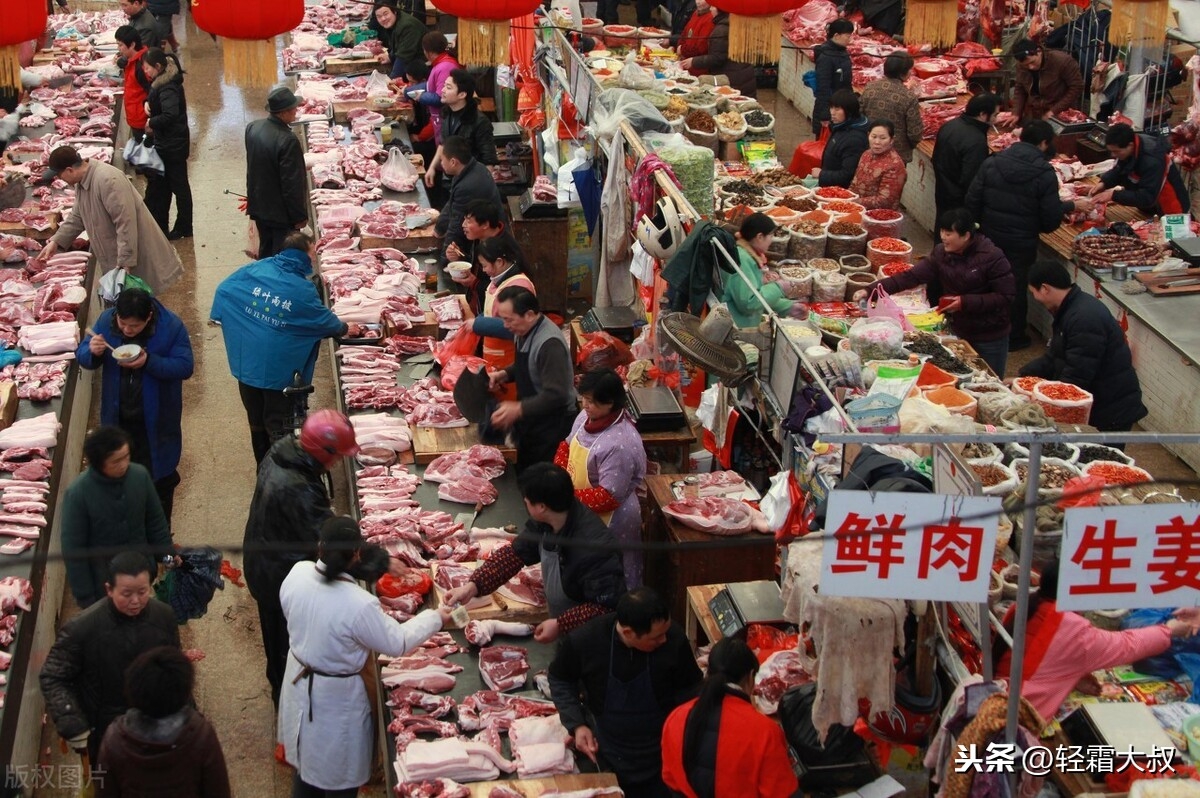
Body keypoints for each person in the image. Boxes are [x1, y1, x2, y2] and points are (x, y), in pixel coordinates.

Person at [280, 517, 451, 798]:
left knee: (306, 763)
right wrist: (436, 618)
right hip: (336, 697)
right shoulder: (358, 604)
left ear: (320, 547)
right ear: (356, 555)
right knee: (339, 776)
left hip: (299, 678)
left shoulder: (298, 574)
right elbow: (397, 642)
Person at [243, 410, 359, 707]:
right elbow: (332, 544)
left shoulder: (282, 452)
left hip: (264, 558)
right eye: (338, 455)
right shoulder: (298, 487)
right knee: (285, 647)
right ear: (323, 451)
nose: (338, 462)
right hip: (276, 577)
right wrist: (379, 564)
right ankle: (286, 707)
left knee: (277, 639)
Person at [994, 560, 1200, 720]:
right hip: (1018, 717)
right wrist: (1169, 630)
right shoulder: (1073, 631)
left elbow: (1040, 659)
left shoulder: (1026, 605)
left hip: (1001, 696)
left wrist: (1072, 674)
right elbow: (1129, 645)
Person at [443, 463, 626, 643]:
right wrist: (473, 586)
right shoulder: (549, 519)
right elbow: (516, 553)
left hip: (593, 641)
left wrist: (561, 624)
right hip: (565, 633)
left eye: (527, 500)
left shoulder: (595, 549)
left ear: (541, 507)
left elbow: (605, 608)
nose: (524, 503)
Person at [549, 587, 703, 797]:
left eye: (665, 632)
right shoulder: (586, 640)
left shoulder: (673, 640)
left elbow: (691, 691)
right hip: (609, 755)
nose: (664, 640)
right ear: (629, 633)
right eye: (656, 637)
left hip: (663, 756)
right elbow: (560, 678)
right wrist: (577, 724)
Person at [210, 232, 348, 465]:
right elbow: (325, 322)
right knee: (278, 425)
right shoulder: (301, 289)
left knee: (255, 421)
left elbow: (224, 290)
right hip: (279, 375)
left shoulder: (255, 270)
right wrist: (344, 328)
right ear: (304, 254)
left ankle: (262, 470)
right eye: (313, 252)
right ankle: (279, 473)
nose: (314, 258)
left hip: (247, 368)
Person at [41, 552, 181, 766]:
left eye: (142, 592)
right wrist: (70, 719)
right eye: (126, 594)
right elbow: (53, 675)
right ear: (109, 589)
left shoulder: (164, 617)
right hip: (104, 734)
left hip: (154, 726)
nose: (135, 601)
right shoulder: (82, 628)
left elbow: (174, 671)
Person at [965, 121, 1091, 351]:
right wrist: (1069, 206)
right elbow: (1050, 220)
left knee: (986, 279)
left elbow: (972, 199)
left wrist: (978, 229)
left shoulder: (993, 161)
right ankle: (1013, 337)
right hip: (1020, 243)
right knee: (1014, 287)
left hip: (989, 235)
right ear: (1043, 143)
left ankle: (980, 329)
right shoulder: (1044, 174)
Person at [77, 289, 193, 523]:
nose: (127, 330)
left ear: (148, 317)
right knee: (119, 481)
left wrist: (149, 361)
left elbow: (184, 366)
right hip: (118, 419)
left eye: (134, 326)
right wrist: (93, 351)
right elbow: (83, 354)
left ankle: (160, 541)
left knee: (159, 481)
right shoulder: (106, 321)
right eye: (123, 324)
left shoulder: (171, 326)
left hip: (157, 422)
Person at [855, 209, 1014, 376]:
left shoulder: (992, 257)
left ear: (966, 235)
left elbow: (1006, 296)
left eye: (949, 233)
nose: (943, 237)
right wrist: (870, 289)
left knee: (990, 379)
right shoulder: (941, 253)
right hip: (959, 328)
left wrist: (964, 302)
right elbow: (911, 277)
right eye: (942, 231)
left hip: (990, 334)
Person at [660, 637, 799, 798]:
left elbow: (670, 779)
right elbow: (782, 793)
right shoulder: (765, 732)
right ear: (750, 676)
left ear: (708, 671)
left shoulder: (676, 718)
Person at [1020, 260, 1148, 433]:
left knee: (1103, 452)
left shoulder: (1083, 318)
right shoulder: (1069, 309)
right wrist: (1024, 377)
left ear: (1045, 288)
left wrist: (1046, 399)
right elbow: (1055, 356)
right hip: (1102, 401)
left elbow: (1077, 374)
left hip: (1111, 408)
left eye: (1033, 292)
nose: (1034, 297)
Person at [37, 146, 183, 293]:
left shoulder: (108, 179)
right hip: (115, 257)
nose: (59, 179)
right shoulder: (81, 183)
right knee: (129, 307)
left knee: (140, 306)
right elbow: (78, 215)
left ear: (70, 170)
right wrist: (57, 241)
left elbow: (125, 223)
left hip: (135, 257)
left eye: (59, 175)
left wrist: (126, 262)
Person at [61, 426, 175, 609]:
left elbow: (155, 521)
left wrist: (167, 553)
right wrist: (85, 596)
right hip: (104, 585)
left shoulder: (140, 476)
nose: (123, 465)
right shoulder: (78, 494)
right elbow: (74, 549)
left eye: (126, 457)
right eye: (116, 461)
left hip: (142, 572)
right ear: (99, 463)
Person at [554, 370, 648, 588]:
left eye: (592, 402)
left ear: (611, 403)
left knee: (612, 578)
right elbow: (566, 446)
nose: (586, 405)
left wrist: (565, 499)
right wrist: (558, 480)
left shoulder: (619, 444)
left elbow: (608, 497)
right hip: (580, 508)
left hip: (613, 518)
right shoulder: (586, 416)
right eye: (585, 399)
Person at [97, 647, 231, 798]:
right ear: (184, 690)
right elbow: (218, 790)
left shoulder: (114, 740)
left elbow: (104, 791)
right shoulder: (200, 735)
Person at [487, 287, 578, 471]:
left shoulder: (550, 344)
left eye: (508, 319)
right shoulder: (524, 331)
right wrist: (503, 374)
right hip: (534, 419)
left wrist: (518, 408)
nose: (505, 325)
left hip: (553, 426)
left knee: (540, 480)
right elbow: (528, 363)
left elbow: (556, 394)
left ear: (529, 314)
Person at [462, 235, 534, 402]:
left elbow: (514, 327)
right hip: (495, 358)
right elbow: (491, 313)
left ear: (500, 262)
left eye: (485, 266)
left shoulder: (519, 286)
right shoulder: (498, 281)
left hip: (510, 361)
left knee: (508, 405)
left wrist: (478, 324)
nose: (484, 270)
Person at [244, 86, 307, 260]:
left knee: (266, 251)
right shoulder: (287, 140)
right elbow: (291, 184)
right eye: (293, 108)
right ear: (283, 112)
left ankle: (264, 282)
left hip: (259, 206)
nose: (296, 110)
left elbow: (253, 167)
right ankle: (278, 286)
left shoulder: (252, 128)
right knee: (283, 257)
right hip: (281, 214)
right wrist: (299, 216)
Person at [142, 47, 192, 240]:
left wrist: (151, 122)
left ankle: (184, 227)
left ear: (158, 66)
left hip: (172, 146)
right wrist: (148, 103)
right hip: (170, 143)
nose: (145, 72)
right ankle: (171, 226)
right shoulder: (163, 81)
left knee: (179, 187)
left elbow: (170, 114)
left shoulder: (167, 86)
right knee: (169, 187)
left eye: (147, 68)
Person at [1090, 122, 1190, 215]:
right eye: (1111, 151)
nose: (1113, 155)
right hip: (1149, 208)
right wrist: (1104, 183)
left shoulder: (1152, 159)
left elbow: (1147, 197)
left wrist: (1113, 195)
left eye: (1116, 151)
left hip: (1170, 209)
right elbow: (1120, 169)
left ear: (1130, 145)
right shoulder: (1130, 146)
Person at [435, 135, 503, 271]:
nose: (441, 164)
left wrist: (443, 265)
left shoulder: (468, 185)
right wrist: (439, 227)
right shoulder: (472, 168)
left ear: (453, 162)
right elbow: (452, 204)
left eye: (442, 160)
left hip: (491, 242)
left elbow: (456, 225)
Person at [932, 93, 999, 226]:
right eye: (995, 115)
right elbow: (972, 179)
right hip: (959, 202)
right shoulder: (976, 141)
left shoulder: (949, 126)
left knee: (943, 235)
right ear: (983, 114)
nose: (996, 119)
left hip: (943, 193)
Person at [723, 212, 799, 328]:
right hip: (737, 328)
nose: (772, 240)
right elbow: (749, 303)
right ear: (760, 237)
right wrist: (778, 287)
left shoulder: (746, 255)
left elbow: (756, 297)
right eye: (771, 235)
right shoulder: (742, 260)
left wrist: (788, 307)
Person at [425, 69, 497, 188]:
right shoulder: (448, 112)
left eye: (448, 87)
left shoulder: (480, 122)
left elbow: (489, 161)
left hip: (470, 184)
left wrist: (476, 188)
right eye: (444, 86)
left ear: (462, 95)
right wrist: (432, 167)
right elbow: (443, 145)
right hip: (449, 180)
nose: (442, 90)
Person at [998, 40, 1084, 125]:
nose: (1030, 67)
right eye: (1026, 65)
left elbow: (1077, 87)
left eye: (1032, 62)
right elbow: (1020, 88)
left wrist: (1054, 110)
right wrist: (1016, 112)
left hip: (1060, 113)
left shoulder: (1062, 61)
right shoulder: (1021, 66)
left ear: (1039, 51)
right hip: (1034, 111)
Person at [859, 52, 922, 163]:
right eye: (909, 70)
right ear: (903, 73)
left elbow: (861, 115)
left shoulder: (870, 88)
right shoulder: (909, 97)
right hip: (897, 155)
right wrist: (910, 146)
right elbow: (914, 133)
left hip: (871, 146)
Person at [677, 10, 756, 98]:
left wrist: (693, 61)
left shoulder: (722, 29)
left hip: (733, 78)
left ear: (720, 9)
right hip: (742, 75)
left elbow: (717, 58)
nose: (710, 9)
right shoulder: (732, 23)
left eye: (713, 6)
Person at [447, 198, 511, 300]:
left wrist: (475, 283)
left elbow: (505, 292)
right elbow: (477, 265)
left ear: (485, 224)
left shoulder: (504, 249)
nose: (463, 225)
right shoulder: (480, 237)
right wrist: (458, 258)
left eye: (468, 221)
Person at [813, 89, 869, 188]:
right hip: (828, 186)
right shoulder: (840, 126)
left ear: (849, 111)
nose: (832, 113)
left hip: (839, 193)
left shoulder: (854, 140)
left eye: (837, 109)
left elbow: (847, 175)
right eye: (831, 108)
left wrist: (822, 174)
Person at [848, 120, 907, 210]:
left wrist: (856, 202)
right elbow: (855, 182)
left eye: (883, 138)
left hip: (878, 217)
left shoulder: (894, 165)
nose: (877, 142)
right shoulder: (866, 154)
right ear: (868, 135)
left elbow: (885, 200)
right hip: (856, 209)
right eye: (873, 137)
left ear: (892, 140)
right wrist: (847, 197)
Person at [416, 32, 460, 147]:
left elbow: (440, 98)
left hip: (444, 120)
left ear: (427, 52)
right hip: (439, 120)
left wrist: (421, 96)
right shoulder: (441, 63)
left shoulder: (445, 66)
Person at [811, 19, 854, 129]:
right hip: (830, 112)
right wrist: (825, 115)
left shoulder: (841, 52)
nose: (850, 39)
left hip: (841, 108)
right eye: (847, 36)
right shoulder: (826, 57)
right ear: (836, 35)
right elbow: (823, 88)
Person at [371, 0, 426, 79]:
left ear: (395, 12)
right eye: (379, 16)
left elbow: (403, 57)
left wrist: (391, 80)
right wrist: (390, 57)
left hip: (424, 67)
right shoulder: (395, 22)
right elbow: (400, 45)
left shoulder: (407, 26)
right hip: (413, 62)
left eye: (386, 14)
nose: (383, 19)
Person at [114, 26, 150, 142]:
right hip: (135, 116)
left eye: (120, 45)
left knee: (145, 150)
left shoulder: (141, 66)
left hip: (142, 119)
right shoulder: (132, 61)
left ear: (132, 45)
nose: (118, 48)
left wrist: (150, 119)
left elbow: (152, 92)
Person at [676, 0, 715, 75]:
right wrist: (680, 46)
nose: (698, 2)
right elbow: (684, 34)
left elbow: (700, 48)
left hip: (698, 70)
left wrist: (682, 49)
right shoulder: (695, 13)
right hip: (685, 65)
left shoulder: (710, 18)